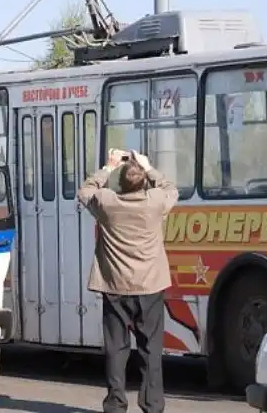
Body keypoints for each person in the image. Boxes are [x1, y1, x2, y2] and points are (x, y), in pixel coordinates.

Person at [77, 149, 178, 413]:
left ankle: (116, 404)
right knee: (151, 349)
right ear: (144, 182)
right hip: (150, 286)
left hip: (115, 287)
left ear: (120, 183)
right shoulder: (155, 201)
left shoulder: (107, 202)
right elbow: (171, 189)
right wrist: (148, 167)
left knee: (116, 350)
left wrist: (108, 167)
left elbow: (85, 190)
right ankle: (152, 405)